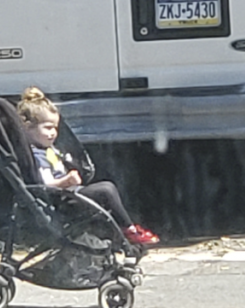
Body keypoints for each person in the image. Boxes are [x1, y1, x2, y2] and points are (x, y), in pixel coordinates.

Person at [17, 87, 160, 246]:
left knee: (106, 186)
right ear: (28, 128)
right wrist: (67, 180)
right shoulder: (37, 155)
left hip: (69, 194)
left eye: (55, 128)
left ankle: (124, 229)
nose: (53, 133)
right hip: (62, 200)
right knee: (106, 190)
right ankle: (129, 229)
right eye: (48, 128)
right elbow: (45, 184)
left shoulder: (48, 150)